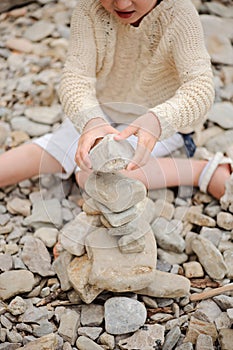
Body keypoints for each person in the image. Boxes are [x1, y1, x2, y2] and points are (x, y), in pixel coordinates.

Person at [0, 0, 232, 202]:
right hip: (103, 113)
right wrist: (91, 121)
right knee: (23, 162)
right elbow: (76, 78)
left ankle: (200, 172)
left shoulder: (180, 14)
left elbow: (200, 87)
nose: (121, 4)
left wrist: (157, 120)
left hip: (163, 122)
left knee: (91, 175)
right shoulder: (89, 10)